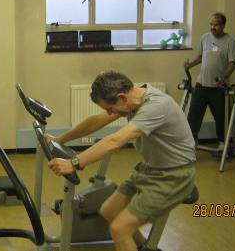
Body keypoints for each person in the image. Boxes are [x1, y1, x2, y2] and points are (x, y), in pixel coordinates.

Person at [47, 71, 196, 251]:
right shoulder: (133, 99)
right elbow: (95, 122)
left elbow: (115, 141)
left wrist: (73, 163)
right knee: (108, 211)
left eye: (110, 108)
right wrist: (59, 139)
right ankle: (142, 247)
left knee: (119, 229)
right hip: (149, 169)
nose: (110, 113)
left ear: (121, 97)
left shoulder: (156, 106)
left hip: (174, 176)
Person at [184, 12, 235, 150]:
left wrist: (223, 78)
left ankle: (222, 143)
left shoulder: (230, 42)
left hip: (218, 88)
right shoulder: (204, 38)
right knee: (193, 116)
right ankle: (193, 142)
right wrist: (190, 64)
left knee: (221, 118)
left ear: (223, 25)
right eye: (211, 24)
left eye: (216, 25)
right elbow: (200, 57)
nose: (213, 27)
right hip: (201, 85)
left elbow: (232, 64)